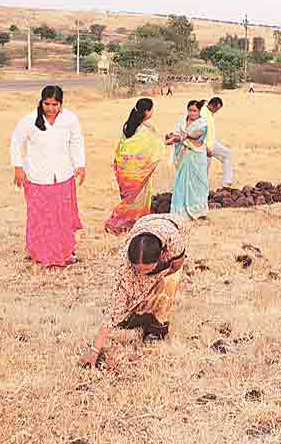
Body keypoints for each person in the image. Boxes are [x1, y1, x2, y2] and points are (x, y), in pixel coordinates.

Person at [80, 214, 190, 368]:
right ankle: (138, 313)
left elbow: (177, 266)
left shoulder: (174, 243)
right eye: (137, 269)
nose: (141, 273)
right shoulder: (124, 263)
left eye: (146, 268)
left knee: (168, 282)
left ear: (160, 257)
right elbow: (113, 308)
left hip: (170, 227)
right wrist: (94, 351)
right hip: (143, 225)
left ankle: (157, 327)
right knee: (130, 291)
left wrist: (160, 277)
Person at [10, 85, 85, 267]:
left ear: (61, 104)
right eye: (47, 104)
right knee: (39, 215)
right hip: (37, 177)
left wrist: (80, 165)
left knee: (63, 215)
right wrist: (18, 167)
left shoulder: (70, 119)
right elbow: (15, 142)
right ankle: (37, 250)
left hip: (63, 175)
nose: (51, 108)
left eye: (55, 104)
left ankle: (65, 251)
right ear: (41, 102)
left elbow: (77, 142)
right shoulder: (28, 121)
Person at [104, 98, 166, 234]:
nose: (152, 112)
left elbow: (122, 149)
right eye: (152, 109)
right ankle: (125, 222)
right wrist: (166, 142)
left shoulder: (128, 126)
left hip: (125, 172)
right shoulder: (145, 131)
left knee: (129, 198)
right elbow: (155, 148)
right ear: (147, 111)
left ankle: (128, 222)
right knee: (138, 199)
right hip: (139, 172)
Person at [167, 100, 209, 220]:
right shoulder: (182, 121)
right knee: (181, 182)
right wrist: (171, 137)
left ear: (199, 111)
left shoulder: (203, 123)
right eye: (190, 110)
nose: (192, 113)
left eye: (194, 111)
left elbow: (197, 135)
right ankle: (180, 212)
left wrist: (185, 136)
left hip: (196, 156)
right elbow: (176, 134)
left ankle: (198, 211)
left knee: (198, 183)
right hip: (183, 156)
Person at [202, 97, 233, 188]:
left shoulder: (208, 110)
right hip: (203, 144)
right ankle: (201, 190)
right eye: (217, 109)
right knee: (204, 168)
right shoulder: (203, 114)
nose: (217, 111)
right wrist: (206, 148)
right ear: (212, 106)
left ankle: (227, 182)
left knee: (227, 154)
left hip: (212, 142)